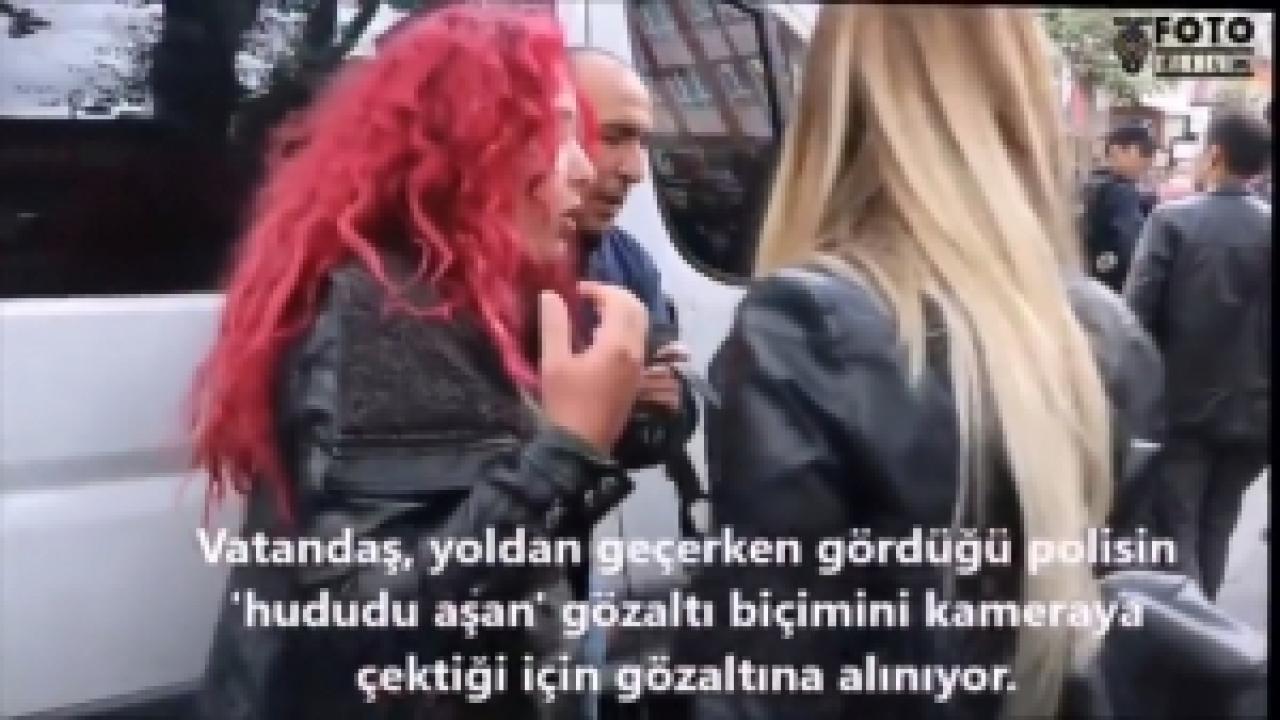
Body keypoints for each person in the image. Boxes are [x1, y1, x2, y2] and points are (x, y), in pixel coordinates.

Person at [680, 7, 1163, 720]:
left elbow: (758, 683)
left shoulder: (806, 326)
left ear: (834, 101)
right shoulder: (1101, 333)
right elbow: (1128, 631)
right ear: (1021, 99)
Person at [189, 8, 649, 718]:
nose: (585, 169)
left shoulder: (468, 298)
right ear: (473, 146)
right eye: (558, 133)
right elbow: (363, 627)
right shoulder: (390, 311)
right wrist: (564, 454)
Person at [1124, 111, 1272, 601]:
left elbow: (1134, 318)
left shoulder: (1172, 221)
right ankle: (1207, 617)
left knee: (1178, 526)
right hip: (1256, 415)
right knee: (1218, 524)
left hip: (1182, 407)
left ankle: (1191, 627)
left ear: (1215, 155)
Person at [568, 47, 699, 474]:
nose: (637, 170)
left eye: (643, 143)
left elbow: (671, 423)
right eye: (612, 138)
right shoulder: (447, 271)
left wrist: (652, 408)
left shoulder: (630, 263)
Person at [1081, 124, 1156, 292]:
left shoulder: (1092, 184)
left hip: (1092, 281)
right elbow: (1133, 245)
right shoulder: (1122, 192)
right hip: (1116, 287)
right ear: (1119, 151)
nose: (1146, 165)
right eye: (1144, 155)